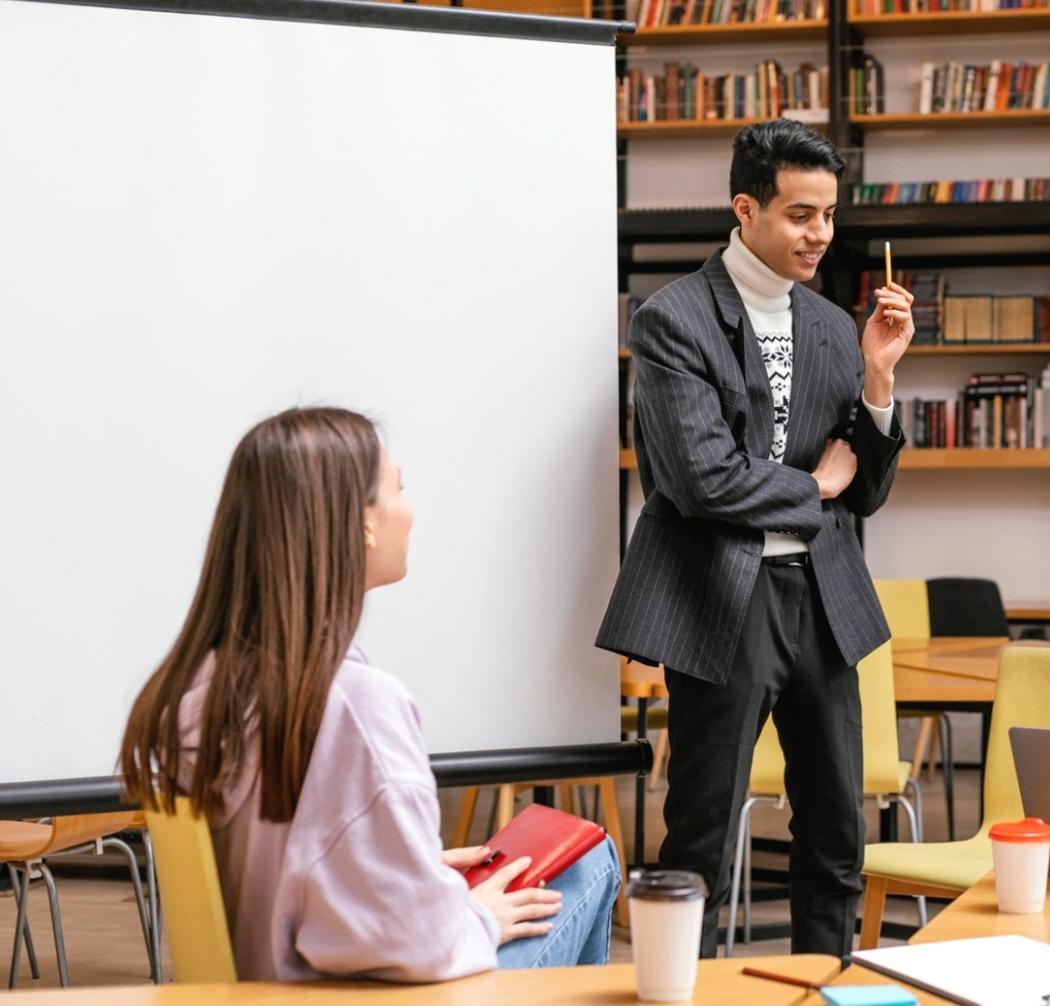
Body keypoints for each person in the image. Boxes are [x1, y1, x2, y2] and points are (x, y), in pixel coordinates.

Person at [119, 407, 619, 981]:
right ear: (363, 524)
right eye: (398, 489)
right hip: (354, 994)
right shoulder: (355, 707)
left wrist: (418, 873)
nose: (409, 510)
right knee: (588, 863)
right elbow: (416, 945)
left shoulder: (201, 690)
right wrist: (471, 914)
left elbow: (287, 868)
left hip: (261, 988)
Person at [596, 119, 913, 957]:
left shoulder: (828, 326)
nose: (820, 235)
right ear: (745, 209)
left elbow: (867, 493)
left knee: (836, 836)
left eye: (830, 215)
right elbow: (702, 481)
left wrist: (878, 378)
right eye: (800, 215)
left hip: (823, 599)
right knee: (700, 836)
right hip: (719, 602)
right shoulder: (671, 322)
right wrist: (816, 484)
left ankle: (821, 982)